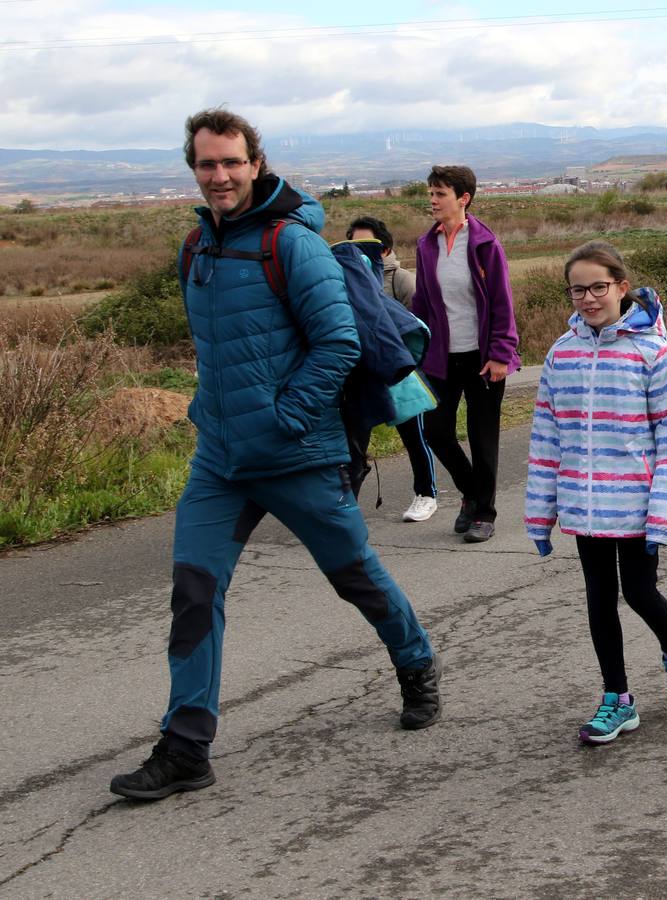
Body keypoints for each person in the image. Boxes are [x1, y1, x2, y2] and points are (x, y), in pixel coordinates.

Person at [110, 109, 441, 802]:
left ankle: (416, 662)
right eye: (207, 164)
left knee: (355, 575)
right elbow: (216, 348)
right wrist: (216, 416)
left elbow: (339, 344)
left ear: (255, 164)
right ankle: (186, 747)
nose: (220, 175)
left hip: (297, 455)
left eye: (232, 162)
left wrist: (285, 418)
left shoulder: (294, 244)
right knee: (195, 593)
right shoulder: (195, 249)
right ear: (193, 170)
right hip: (221, 462)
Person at [524, 240, 667, 744]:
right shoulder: (561, 354)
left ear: (622, 287)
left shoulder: (654, 354)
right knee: (599, 598)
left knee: (639, 592)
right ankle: (617, 699)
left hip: (637, 504)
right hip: (583, 503)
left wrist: (665, 509)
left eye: (599, 287)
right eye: (578, 289)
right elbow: (546, 438)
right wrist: (541, 513)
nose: (588, 298)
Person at [412, 165, 520, 543]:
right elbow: (422, 303)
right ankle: (471, 493)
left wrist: (501, 354)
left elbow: (502, 303)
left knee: (482, 435)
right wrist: (416, 350)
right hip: (442, 357)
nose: (432, 200)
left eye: (439, 194)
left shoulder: (485, 244)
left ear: (463, 198)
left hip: (483, 357)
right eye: (430, 193)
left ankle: (484, 513)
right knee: (437, 430)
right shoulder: (427, 245)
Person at [346, 216, 438, 523]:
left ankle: (426, 494)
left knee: (414, 436)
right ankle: (344, 509)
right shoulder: (342, 281)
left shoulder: (400, 279)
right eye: (353, 245)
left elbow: (418, 325)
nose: (359, 252)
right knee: (353, 445)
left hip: (399, 374)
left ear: (384, 250)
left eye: (367, 246)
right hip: (361, 377)